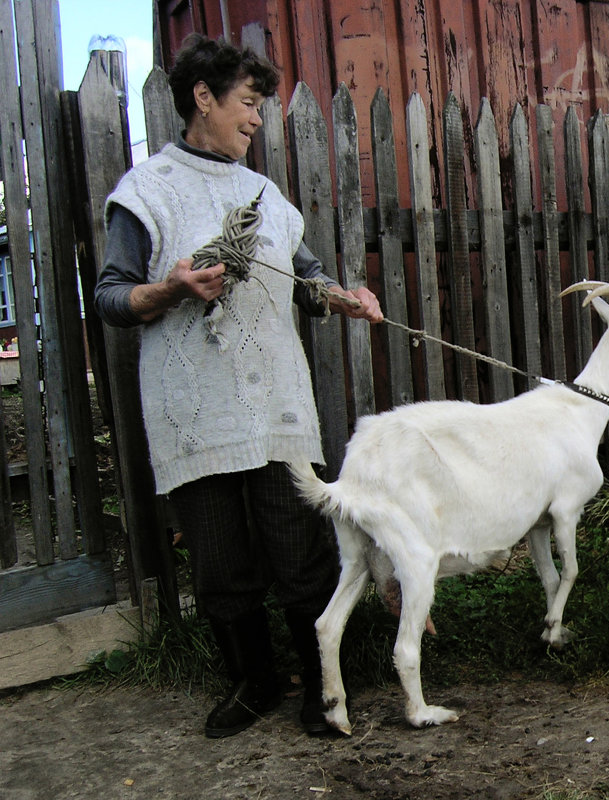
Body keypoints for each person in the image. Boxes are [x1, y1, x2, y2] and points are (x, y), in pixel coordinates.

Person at [94, 33, 383, 739]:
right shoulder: (147, 191)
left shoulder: (265, 196)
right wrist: (172, 287)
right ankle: (253, 682)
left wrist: (335, 296)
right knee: (220, 562)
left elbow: (303, 276)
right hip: (194, 410)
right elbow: (110, 296)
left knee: (302, 553)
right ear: (204, 97)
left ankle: (323, 686)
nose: (257, 120)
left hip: (276, 403)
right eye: (248, 104)